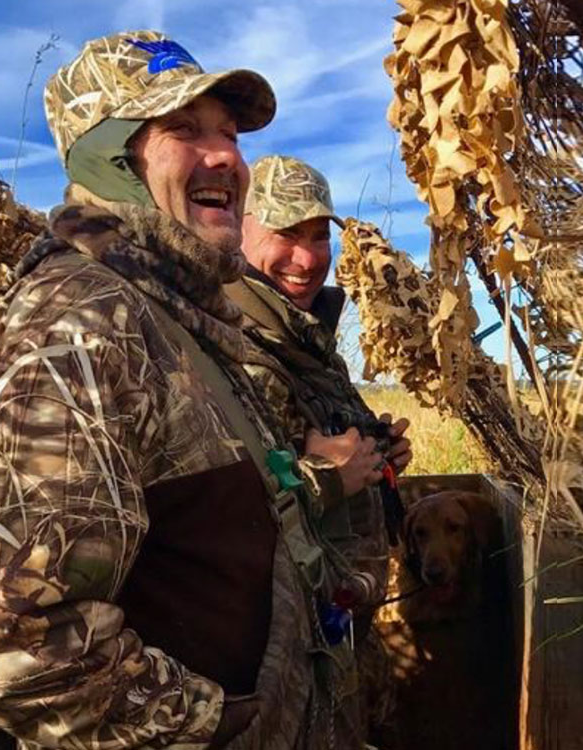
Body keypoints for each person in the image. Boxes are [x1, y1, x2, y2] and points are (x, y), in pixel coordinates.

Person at [0, 31, 340, 748]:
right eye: (184, 130)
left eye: (230, 133)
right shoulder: (86, 322)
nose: (227, 158)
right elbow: (7, 649)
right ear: (108, 158)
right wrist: (213, 726)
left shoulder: (175, 318)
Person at [226, 155, 413, 745]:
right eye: (285, 234)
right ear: (241, 228)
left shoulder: (307, 338)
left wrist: (374, 452)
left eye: (317, 235)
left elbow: (314, 442)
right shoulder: (232, 339)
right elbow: (225, 507)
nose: (306, 259)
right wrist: (326, 475)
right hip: (284, 652)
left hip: (338, 627)